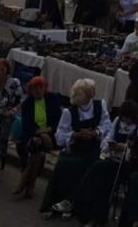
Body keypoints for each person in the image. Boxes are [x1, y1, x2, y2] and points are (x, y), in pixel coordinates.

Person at [63, 99, 138, 227]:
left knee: (99, 168)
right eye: (123, 117)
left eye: (127, 118)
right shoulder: (118, 121)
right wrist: (110, 147)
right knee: (102, 180)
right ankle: (93, 217)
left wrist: (124, 149)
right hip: (112, 161)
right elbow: (107, 139)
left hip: (127, 166)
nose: (124, 120)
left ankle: (74, 199)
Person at [39, 78, 110, 218]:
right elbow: (60, 135)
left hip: (92, 149)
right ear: (83, 92)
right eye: (92, 88)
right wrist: (76, 135)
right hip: (75, 149)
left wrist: (95, 132)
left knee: (89, 167)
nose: (95, 90)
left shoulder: (100, 105)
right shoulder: (69, 112)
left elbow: (107, 125)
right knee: (63, 165)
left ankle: (73, 203)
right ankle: (58, 202)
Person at [12, 76, 64, 199]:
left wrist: (48, 131)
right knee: (35, 150)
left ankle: (23, 180)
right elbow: (27, 125)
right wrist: (41, 133)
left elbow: (59, 120)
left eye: (40, 88)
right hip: (34, 135)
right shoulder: (27, 103)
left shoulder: (52, 98)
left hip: (52, 135)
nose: (38, 91)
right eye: (35, 89)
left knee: (35, 147)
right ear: (31, 90)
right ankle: (30, 186)